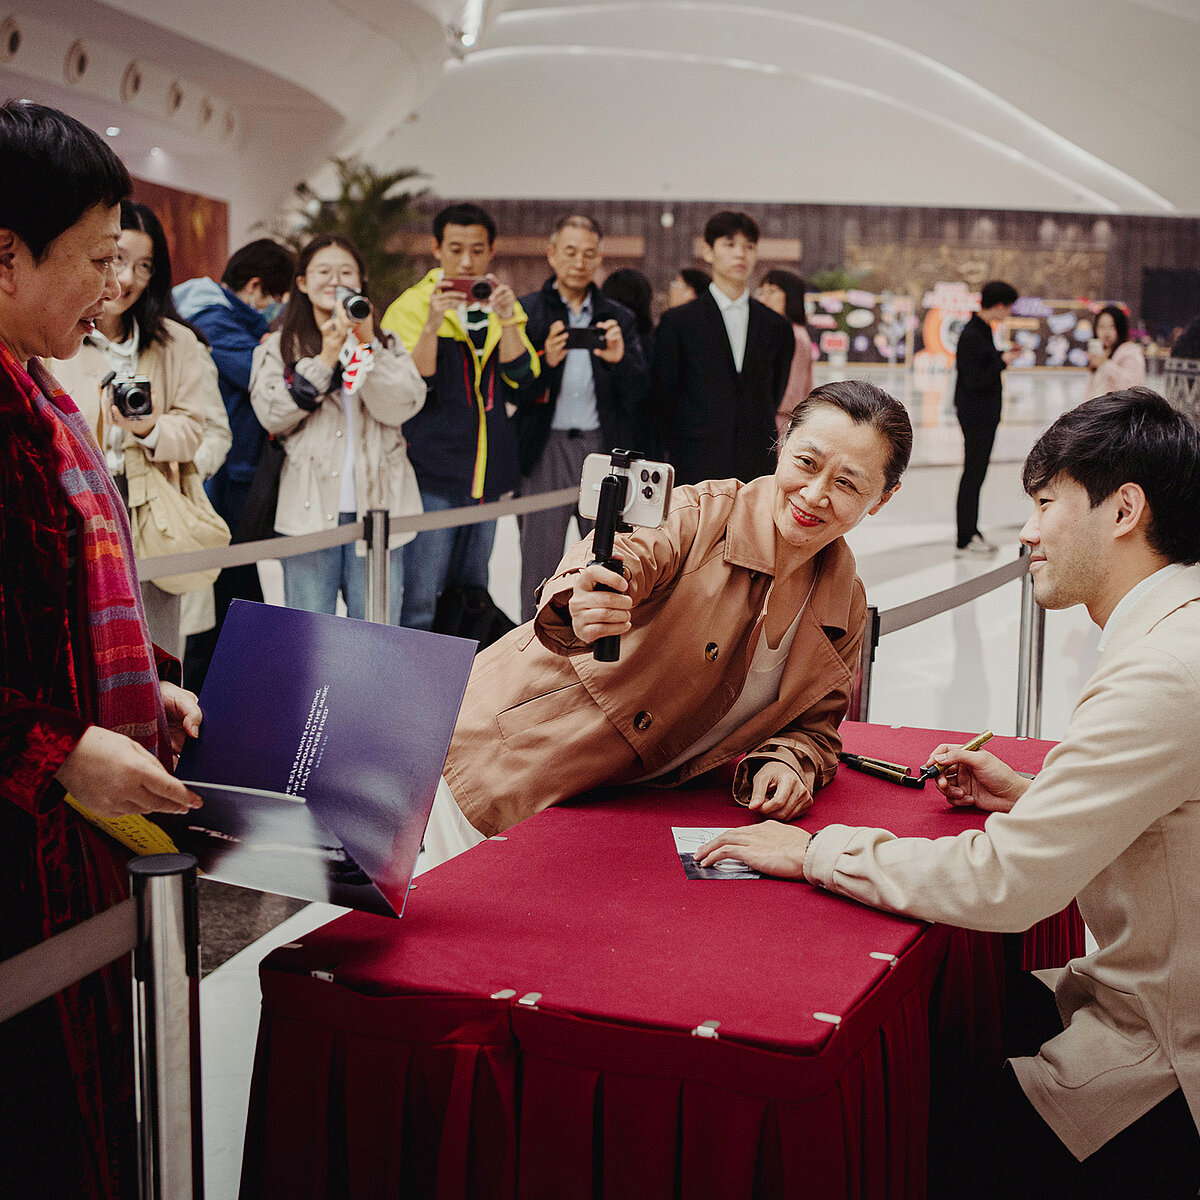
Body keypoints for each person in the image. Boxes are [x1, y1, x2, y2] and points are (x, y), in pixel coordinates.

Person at [696, 388, 1200, 1199]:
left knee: (907, 1133)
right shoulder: (1178, 633)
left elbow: (1007, 883)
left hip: (1165, 1061)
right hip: (1144, 1001)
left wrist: (817, 851)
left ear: (1124, 510)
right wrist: (1029, 794)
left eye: (1045, 504)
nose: (1027, 532)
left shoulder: (1165, 670)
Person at [422, 380, 912, 867]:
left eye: (847, 483)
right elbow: (624, 554)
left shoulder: (844, 601)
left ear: (882, 498)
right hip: (492, 770)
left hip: (607, 815)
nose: (815, 493)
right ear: (782, 444)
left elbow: (815, 726)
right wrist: (584, 596)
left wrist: (788, 761)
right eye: (806, 462)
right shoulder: (697, 515)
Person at [0, 99, 203, 1200]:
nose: (112, 286)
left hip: (59, 849)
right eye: (92, 259)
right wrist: (61, 748)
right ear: (6, 255)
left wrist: (142, 693)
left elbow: (55, 599)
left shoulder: (37, 389)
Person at [50, 200, 215, 659]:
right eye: (118, 259)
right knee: (84, 642)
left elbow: (193, 430)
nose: (128, 278)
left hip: (151, 504)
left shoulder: (175, 342)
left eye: (145, 266)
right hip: (78, 502)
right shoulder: (57, 335)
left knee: (158, 643)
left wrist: (149, 428)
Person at [249, 234, 425, 622]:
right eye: (323, 272)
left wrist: (368, 344)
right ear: (302, 282)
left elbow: (401, 407)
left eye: (346, 272)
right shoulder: (280, 346)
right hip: (306, 514)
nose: (335, 280)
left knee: (376, 634)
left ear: (360, 281)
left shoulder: (386, 343)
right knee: (308, 633)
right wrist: (325, 359)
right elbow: (272, 414)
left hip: (380, 512)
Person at [381, 203, 539, 630]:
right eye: (455, 249)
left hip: (487, 474)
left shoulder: (502, 303)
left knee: (472, 593)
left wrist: (508, 321)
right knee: (421, 595)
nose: (466, 262)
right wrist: (432, 324)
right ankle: (417, 674)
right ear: (436, 249)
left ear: (492, 250)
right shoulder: (410, 307)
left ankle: (468, 672)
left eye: (477, 250)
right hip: (430, 473)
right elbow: (411, 387)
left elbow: (522, 380)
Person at [173, 237, 296, 687]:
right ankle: (211, 695)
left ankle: (233, 691)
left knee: (237, 597)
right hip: (223, 479)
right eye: (276, 298)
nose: (275, 308)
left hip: (235, 473)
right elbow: (262, 377)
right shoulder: (214, 321)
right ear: (256, 286)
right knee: (228, 596)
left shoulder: (226, 319)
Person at [514, 215, 650, 621]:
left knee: (605, 555)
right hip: (545, 448)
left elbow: (639, 394)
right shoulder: (528, 312)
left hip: (601, 448)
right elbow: (514, 389)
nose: (579, 262)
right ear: (552, 254)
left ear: (600, 259)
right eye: (570, 252)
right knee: (539, 562)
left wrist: (618, 360)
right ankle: (532, 643)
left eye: (589, 254)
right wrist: (546, 362)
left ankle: (595, 642)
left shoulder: (618, 316)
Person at [652, 211, 794, 485]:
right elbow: (664, 397)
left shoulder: (776, 326)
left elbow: (773, 392)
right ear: (708, 251)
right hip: (694, 461)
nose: (740, 254)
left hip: (755, 462)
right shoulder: (678, 322)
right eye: (729, 244)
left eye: (748, 246)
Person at [953, 279, 1019, 556]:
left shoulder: (981, 330)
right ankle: (966, 536)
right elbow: (974, 379)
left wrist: (1001, 356)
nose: (1009, 313)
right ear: (999, 305)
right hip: (976, 415)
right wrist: (1002, 362)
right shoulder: (972, 334)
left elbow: (982, 364)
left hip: (983, 414)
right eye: (1008, 307)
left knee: (976, 473)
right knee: (973, 473)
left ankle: (971, 530)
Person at [755, 268, 814, 439]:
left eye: (772, 292)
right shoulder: (777, 332)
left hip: (779, 427)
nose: (763, 299)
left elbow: (791, 395)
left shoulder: (794, 336)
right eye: (762, 292)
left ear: (790, 296)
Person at [1087, 305, 1146, 399]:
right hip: (1099, 407)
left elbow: (1134, 387)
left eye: (1112, 326)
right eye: (1101, 327)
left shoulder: (1130, 351)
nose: (1106, 333)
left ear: (1120, 328)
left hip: (1118, 407)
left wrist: (1105, 364)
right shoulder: (1103, 353)